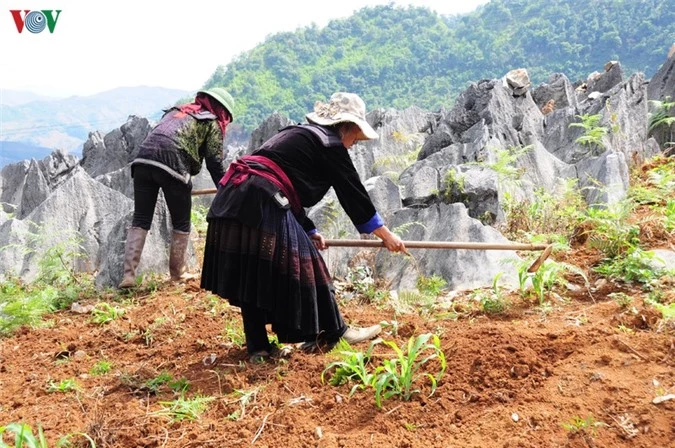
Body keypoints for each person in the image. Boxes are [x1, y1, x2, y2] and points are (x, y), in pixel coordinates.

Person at [200, 92, 407, 362]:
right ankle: (333, 332)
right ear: (346, 127)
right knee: (308, 264)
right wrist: (386, 235)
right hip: (258, 198)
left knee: (252, 272)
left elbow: (285, 183)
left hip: (233, 197)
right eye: (355, 138)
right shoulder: (330, 144)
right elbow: (353, 194)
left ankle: (258, 349)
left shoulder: (298, 135)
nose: (353, 145)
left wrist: (307, 229)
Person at [118, 87, 235, 289]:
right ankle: (177, 274)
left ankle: (128, 276)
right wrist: (226, 190)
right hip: (173, 165)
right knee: (181, 222)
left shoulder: (175, 111)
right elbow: (215, 163)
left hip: (143, 161)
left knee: (141, 219)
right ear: (222, 110)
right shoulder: (211, 121)